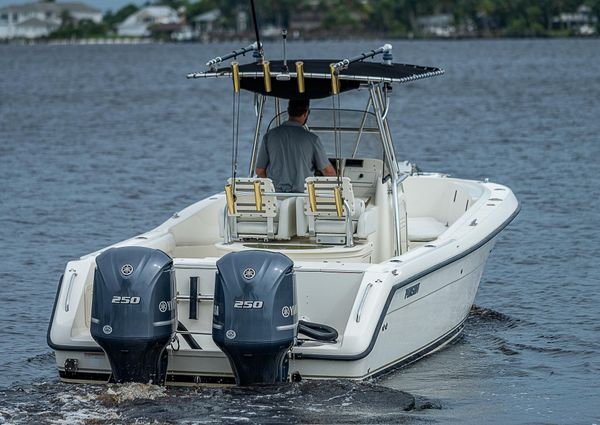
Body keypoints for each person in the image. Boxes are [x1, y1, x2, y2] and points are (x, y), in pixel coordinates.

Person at [255, 99, 336, 193]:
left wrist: (271, 188)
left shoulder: (269, 136)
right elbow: (328, 172)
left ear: (288, 111)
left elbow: (260, 171)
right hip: (303, 199)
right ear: (306, 113)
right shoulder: (313, 139)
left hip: (275, 198)